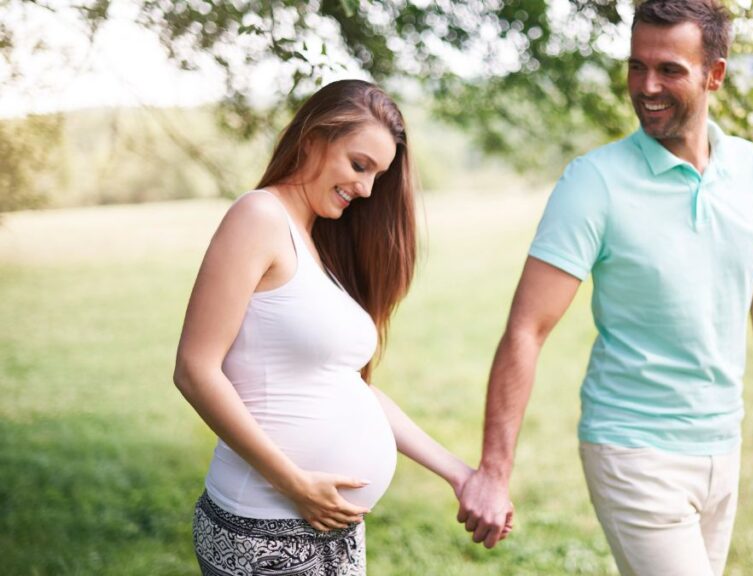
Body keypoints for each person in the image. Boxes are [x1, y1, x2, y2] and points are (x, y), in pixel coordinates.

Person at [456, 1, 753, 574]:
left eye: (669, 69)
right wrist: (494, 471)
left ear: (714, 75)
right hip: (633, 449)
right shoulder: (593, 182)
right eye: (636, 66)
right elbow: (527, 329)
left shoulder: (750, 168)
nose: (646, 86)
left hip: (723, 446)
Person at [173, 79, 506, 575]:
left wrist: (458, 474)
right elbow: (195, 370)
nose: (368, 189)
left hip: (326, 530)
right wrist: (294, 483)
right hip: (264, 527)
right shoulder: (258, 216)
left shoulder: (315, 243)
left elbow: (348, 388)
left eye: (378, 174)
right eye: (359, 165)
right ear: (312, 139)